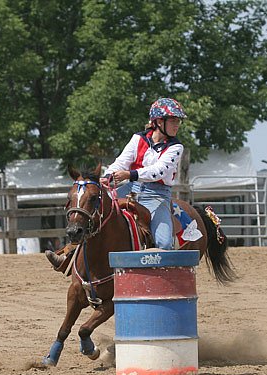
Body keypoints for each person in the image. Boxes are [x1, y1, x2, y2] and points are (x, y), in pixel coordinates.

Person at [46, 97, 187, 270]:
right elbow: (121, 162)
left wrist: (129, 174)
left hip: (157, 195)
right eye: (173, 120)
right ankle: (69, 255)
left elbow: (159, 171)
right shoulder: (138, 139)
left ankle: (163, 278)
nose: (177, 125)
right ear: (158, 122)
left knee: (163, 242)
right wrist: (107, 176)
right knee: (94, 213)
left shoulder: (176, 147)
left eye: (178, 121)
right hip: (130, 189)